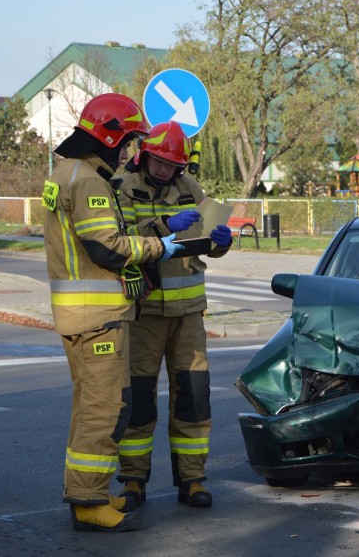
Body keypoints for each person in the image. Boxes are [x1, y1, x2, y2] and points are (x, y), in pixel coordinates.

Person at [42, 93, 184, 533]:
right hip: (97, 315)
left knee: (90, 409)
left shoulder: (65, 172)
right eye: (125, 142)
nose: (127, 153)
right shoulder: (88, 181)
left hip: (79, 314)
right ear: (107, 137)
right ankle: (89, 502)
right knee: (106, 410)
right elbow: (106, 247)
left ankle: (89, 490)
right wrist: (159, 246)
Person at [114, 121, 233, 510]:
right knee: (140, 401)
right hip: (143, 311)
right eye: (160, 162)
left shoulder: (190, 189)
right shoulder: (121, 186)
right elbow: (119, 238)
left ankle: (193, 480)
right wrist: (163, 225)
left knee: (194, 398)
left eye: (172, 165)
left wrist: (220, 243)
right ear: (145, 154)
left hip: (188, 315)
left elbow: (204, 243)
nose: (165, 170)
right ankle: (133, 481)